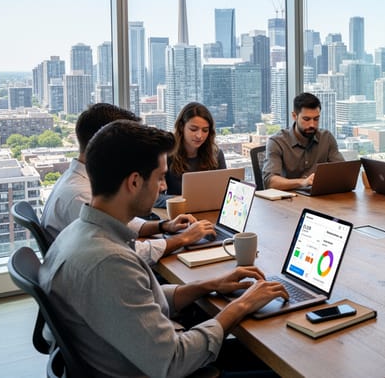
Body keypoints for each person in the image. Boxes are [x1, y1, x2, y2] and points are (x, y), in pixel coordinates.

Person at [39, 120, 288, 377]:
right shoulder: (109, 263)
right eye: (159, 177)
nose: (163, 187)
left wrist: (209, 284)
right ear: (134, 182)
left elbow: (139, 300)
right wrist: (243, 305)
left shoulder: (78, 234)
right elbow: (175, 361)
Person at [40, 103, 215, 264]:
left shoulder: (79, 182)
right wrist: (183, 239)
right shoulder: (80, 196)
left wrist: (164, 225)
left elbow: (119, 225)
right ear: (106, 144)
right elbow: (131, 252)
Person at [263, 92, 344, 191]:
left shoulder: (326, 138)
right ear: (294, 116)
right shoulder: (277, 142)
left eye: (316, 119)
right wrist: (303, 182)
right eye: (306, 119)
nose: (312, 125)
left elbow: (342, 171)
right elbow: (270, 182)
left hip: (319, 198)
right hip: (289, 200)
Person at [165, 102, 227, 195]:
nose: (199, 136)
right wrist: (179, 202)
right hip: (177, 209)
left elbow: (224, 190)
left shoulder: (216, 154)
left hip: (209, 208)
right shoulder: (166, 155)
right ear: (181, 127)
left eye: (205, 130)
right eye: (193, 129)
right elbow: (155, 197)